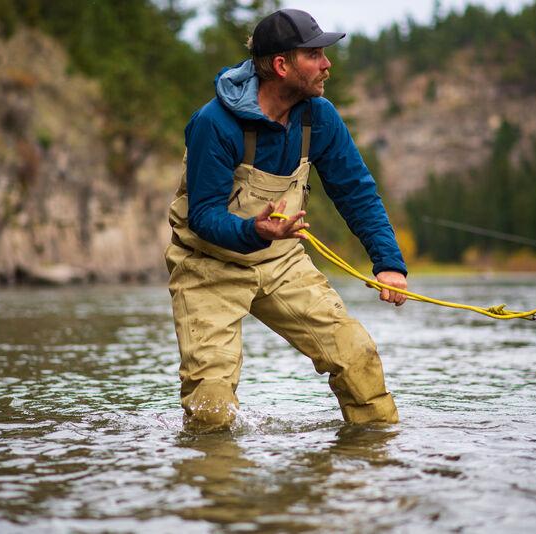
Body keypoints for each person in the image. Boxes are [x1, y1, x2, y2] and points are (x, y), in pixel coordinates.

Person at [165, 8, 408, 431]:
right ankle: (217, 486)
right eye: (315, 54)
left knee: (356, 357)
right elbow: (203, 217)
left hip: (281, 263)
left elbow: (356, 192)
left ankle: (376, 464)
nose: (327, 64)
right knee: (211, 407)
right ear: (282, 65)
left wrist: (388, 263)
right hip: (208, 269)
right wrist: (254, 230)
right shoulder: (213, 124)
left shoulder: (320, 117)